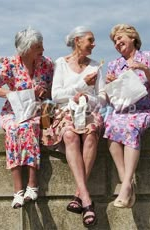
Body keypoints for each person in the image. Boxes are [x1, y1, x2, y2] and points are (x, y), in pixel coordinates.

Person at [43, 26, 106, 227]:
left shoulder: (96, 66)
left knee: (91, 133)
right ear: (77, 41)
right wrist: (81, 85)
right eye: (90, 40)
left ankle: (79, 196)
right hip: (65, 111)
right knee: (69, 134)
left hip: (88, 111)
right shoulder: (60, 63)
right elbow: (57, 95)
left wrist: (88, 97)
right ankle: (87, 200)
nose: (94, 44)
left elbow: (103, 99)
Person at [0, 27, 54, 209]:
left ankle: (32, 184)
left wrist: (43, 92)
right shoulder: (9, 63)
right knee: (15, 128)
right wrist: (12, 93)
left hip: (37, 110)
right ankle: (18, 190)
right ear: (27, 48)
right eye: (38, 47)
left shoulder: (47, 64)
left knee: (30, 126)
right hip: (13, 111)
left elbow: (54, 91)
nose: (43, 50)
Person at [103, 24, 150, 208]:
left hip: (146, 110)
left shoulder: (148, 57)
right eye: (114, 41)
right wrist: (110, 85)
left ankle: (125, 187)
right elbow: (109, 100)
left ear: (132, 38)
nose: (117, 42)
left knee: (130, 127)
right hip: (123, 110)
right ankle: (127, 185)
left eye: (120, 38)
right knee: (110, 127)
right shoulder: (114, 65)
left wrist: (145, 69)